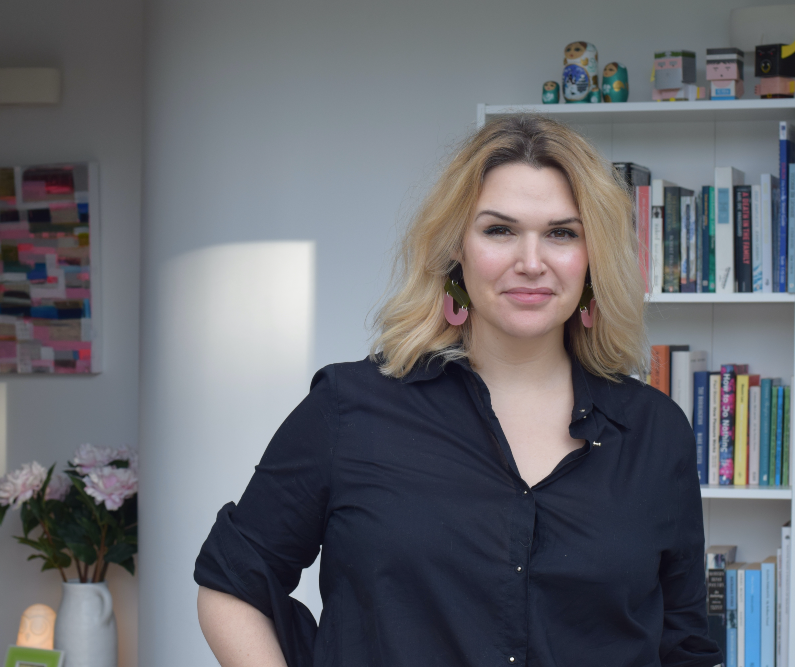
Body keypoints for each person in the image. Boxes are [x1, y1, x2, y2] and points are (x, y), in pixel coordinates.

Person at [194, 115, 723, 667]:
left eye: (562, 233)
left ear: (592, 261)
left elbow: (683, 647)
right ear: (456, 252)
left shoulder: (656, 431)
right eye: (499, 230)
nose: (531, 262)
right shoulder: (349, 409)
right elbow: (232, 583)